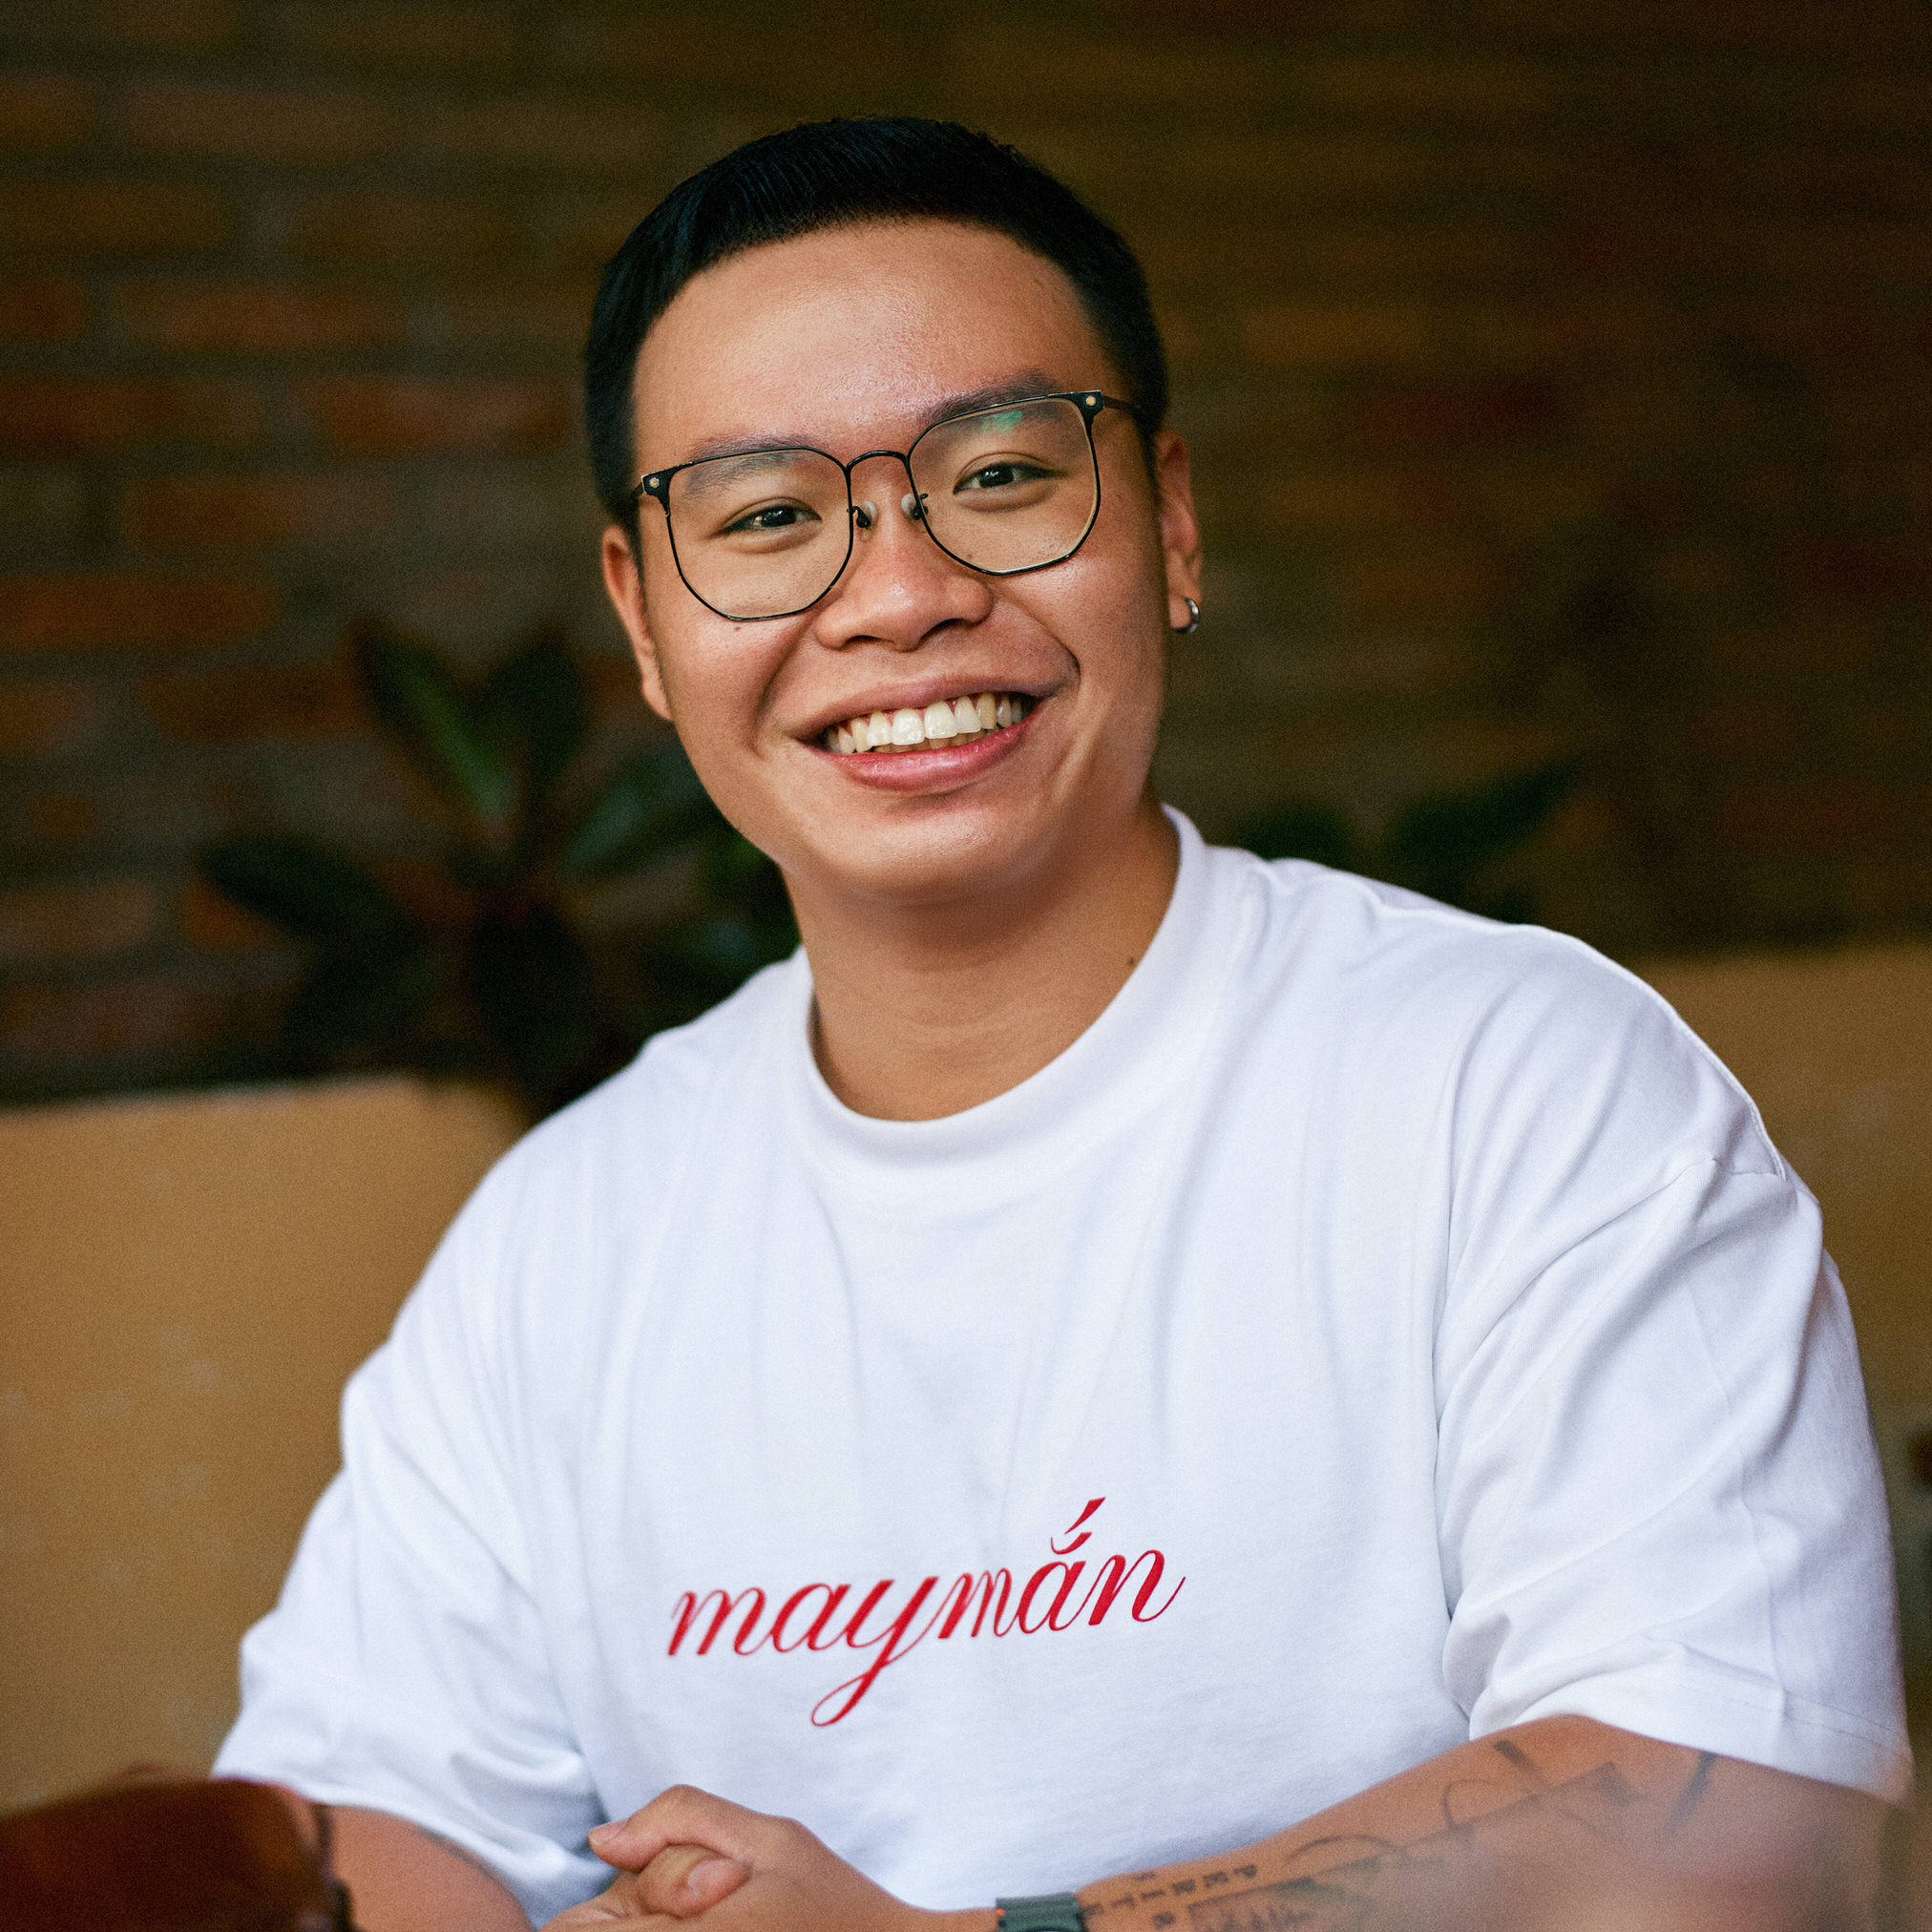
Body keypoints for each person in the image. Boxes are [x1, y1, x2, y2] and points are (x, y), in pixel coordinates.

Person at [213, 118, 1908, 1932]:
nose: (900, 594)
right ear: (643, 620)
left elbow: (1728, 1838)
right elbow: (366, 1823)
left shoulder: (1520, 1086)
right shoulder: (569, 1235)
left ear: (1169, 525)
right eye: (770, 517)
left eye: (1004, 476)